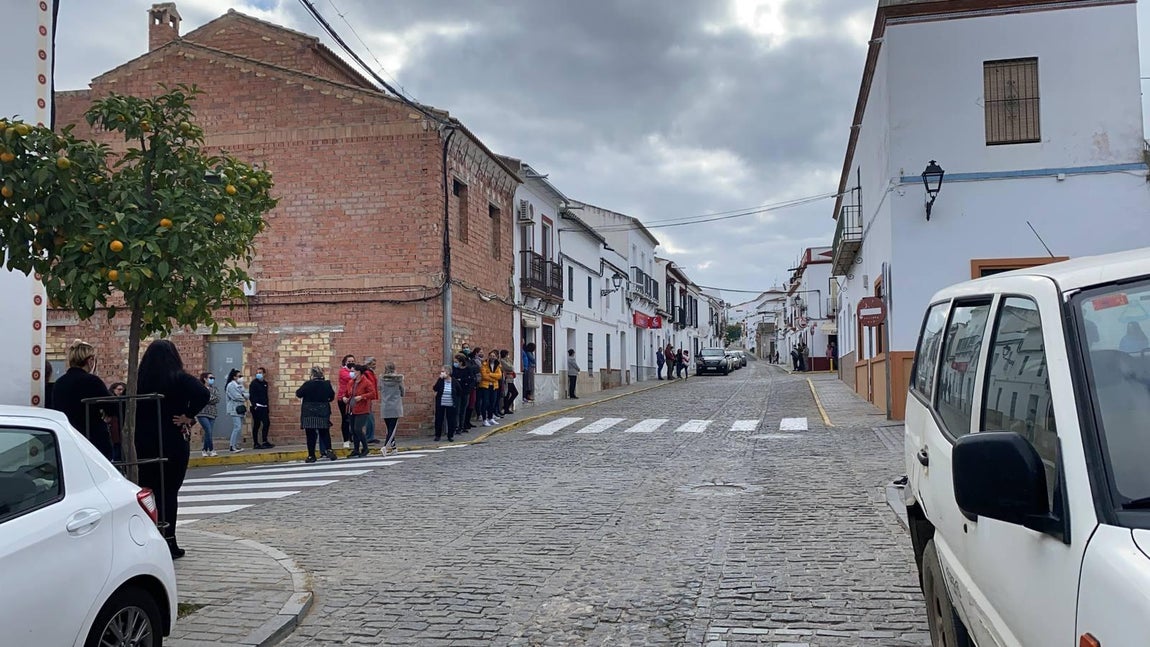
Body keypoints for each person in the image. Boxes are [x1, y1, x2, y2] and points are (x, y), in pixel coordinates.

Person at [134, 340, 210, 559]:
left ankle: (146, 538)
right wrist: (189, 415)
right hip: (172, 438)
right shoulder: (179, 378)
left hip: (143, 440)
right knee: (169, 492)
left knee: (147, 491)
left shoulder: (140, 380)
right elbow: (203, 394)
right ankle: (169, 540)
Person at [49, 340, 115, 459]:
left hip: (67, 439)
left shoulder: (59, 383)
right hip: (92, 441)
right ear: (90, 361)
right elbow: (112, 407)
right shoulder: (92, 381)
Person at [296, 366, 336, 462]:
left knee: (310, 434)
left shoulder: (308, 384)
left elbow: (299, 393)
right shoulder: (326, 384)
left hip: (309, 411)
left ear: (312, 374)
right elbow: (331, 397)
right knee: (324, 431)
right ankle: (329, 450)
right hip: (323, 410)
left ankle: (311, 455)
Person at [346, 362, 378, 457]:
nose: (352, 373)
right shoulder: (351, 382)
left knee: (358, 429)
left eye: (353, 371)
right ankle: (356, 449)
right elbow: (347, 393)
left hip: (362, 409)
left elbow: (373, 393)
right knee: (353, 430)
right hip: (352, 408)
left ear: (359, 372)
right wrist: (344, 398)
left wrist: (362, 397)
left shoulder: (366, 382)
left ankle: (365, 447)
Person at [378, 362, 405, 455]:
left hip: (385, 406)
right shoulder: (399, 379)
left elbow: (379, 388)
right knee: (392, 429)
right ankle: (385, 447)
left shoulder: (381, 379)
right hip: (395, 406)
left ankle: (394, 448)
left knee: (389, 428)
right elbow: (403, 392)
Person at [248, 367, 274, 449]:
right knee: (257, 424)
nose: (258, 374)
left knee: (266, 423)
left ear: (264, 374)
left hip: (264, 407)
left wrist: (267, 406)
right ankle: (256, 443)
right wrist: (255, 406)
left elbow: (265, 396)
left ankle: (264, 441)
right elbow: (251, 396)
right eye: (257, 373)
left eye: (260, 373)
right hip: (257, 407)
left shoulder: (265, 383)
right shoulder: (254, 383)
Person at [225, 369, 249, 453]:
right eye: (239, 376)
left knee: (239, 427)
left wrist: (244, 395)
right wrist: (243, 396)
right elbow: (236, 396)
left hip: (240, 408)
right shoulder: (231, 385)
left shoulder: (240, 385)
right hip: (234, 408)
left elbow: (247, 394)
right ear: (234, 377)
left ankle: (235, 444)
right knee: (237, 427)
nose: (241, 378)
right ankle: (232, 446)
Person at [196, 373, 220, 457]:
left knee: (208, 432)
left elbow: (217, 399)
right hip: (202, 413)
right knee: (208, 430)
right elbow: (200, 398)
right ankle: (212, 449)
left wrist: (207, 398)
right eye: (210, 378)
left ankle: (204, 450)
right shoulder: (200, 388)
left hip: (212, 413)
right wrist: (209, 398)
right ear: (205, 379)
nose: (212, 379)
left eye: (213, 378)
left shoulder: (215, 389)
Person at [479, 350, 503, 426]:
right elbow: (484, 375)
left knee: (493, 402)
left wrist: (490, 374)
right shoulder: (484, 364)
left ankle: (490, 417)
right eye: (491, 356)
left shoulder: (497, 365)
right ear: (488, 356)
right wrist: (493, 378)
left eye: (494, 356)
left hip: (494, 386)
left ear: (496, 357)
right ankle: (484, 419)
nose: (492, 357)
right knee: (485, 402)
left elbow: (499, 376)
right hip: (485, 386)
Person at [336, 354, 356, 449]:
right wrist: (356, 372)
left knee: (354, 419)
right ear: (345, 362)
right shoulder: (342, 371)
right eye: (349, 361)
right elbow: (350, 377)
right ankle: (346, 440)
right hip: (343, 398)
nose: (351, 363)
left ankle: (352, 437)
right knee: (345, 419)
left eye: (353, 361)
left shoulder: (355, 371)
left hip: (353, 398)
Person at [432, 365, 456, 442]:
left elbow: (459, 390)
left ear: (448, 372)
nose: (442, 373)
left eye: (443, 371)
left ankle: (450, 435)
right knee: (439, 419)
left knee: (451, 420)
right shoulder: (441, 380)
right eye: (441, 371)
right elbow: (435, 388)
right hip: (441, 403)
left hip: (450, 403)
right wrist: (440, 379)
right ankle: (437, 435)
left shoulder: (454, 381)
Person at [452, 353, 474, 435]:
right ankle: (456, 426)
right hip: (457, 392)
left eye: (456, 362)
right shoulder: (455, 369)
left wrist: (463, 382)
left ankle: (461, 426)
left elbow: (471, 380)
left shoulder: (468, 369)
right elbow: (454, 379)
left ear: (461, 362)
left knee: (463, 409)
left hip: (465, 391)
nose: (455, 363)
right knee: (457, 409)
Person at [361, 357, 380, 444]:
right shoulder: (367, 373)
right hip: (367, 398)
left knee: (369, 417)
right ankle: (369, 437)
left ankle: (369, 436)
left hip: (368, 397)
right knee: (369, 418)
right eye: (373, 364)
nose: (375, 366)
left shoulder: (369, 373)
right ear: (368, 365)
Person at [106, 381, 127, 462]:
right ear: (113, 390)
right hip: (115, 430)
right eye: (119, 389)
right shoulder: (111, 401)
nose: (121, 392)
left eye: (123, 390)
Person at [499, 349, 518, 415]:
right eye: (507, 354)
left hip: (510, 379)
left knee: (510, 394)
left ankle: (506, 407)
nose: (508, 356)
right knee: (513, 393)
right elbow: (510, 368)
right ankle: (505, 407)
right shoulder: (502, 361)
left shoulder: (507, 360)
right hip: (507, 380)